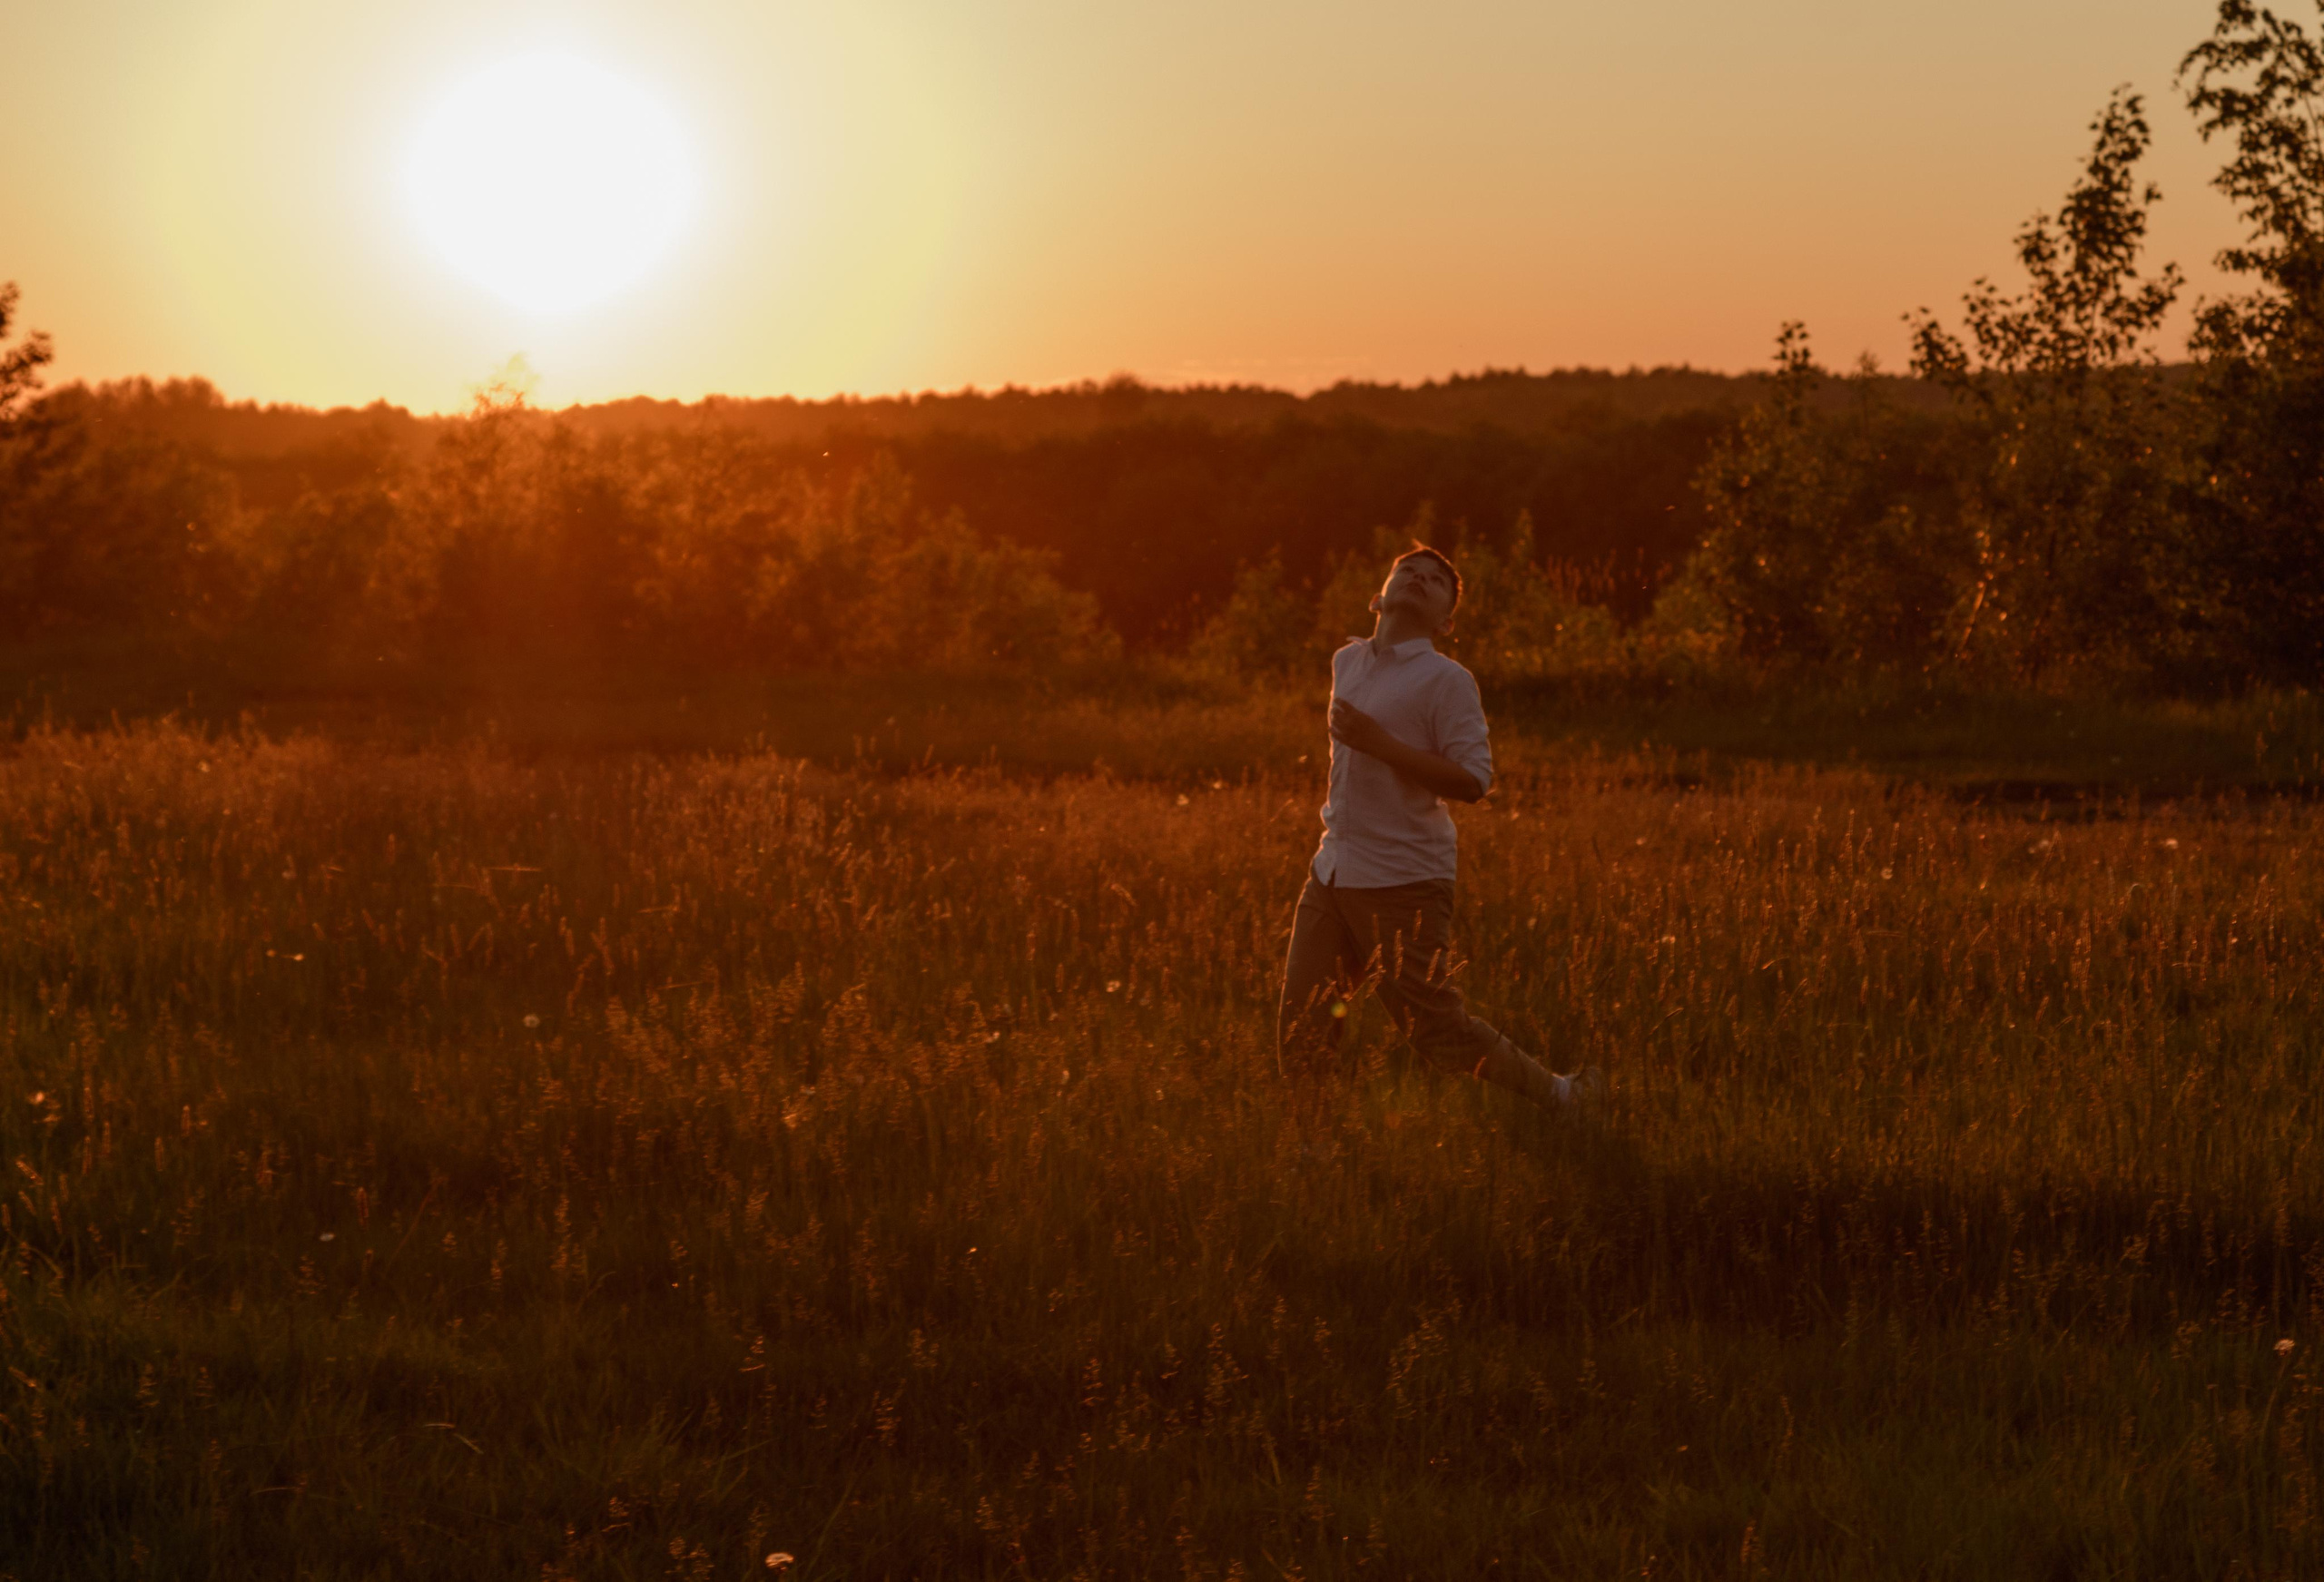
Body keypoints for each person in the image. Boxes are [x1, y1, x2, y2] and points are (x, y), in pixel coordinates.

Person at [1277, 544, 1601, 1113]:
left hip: (1403, 879)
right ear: (1380, 596)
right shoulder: (1345, 663)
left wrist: (1380, 744)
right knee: (1303, 1019)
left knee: (1435, 1031)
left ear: (1445, 621)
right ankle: (1313, 1152)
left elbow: (1475, 780)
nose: (1420, 579)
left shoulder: (1447, 680)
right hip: (1332, 870)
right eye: (1409, 571)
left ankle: (1563, 1096)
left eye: (1435, 581)